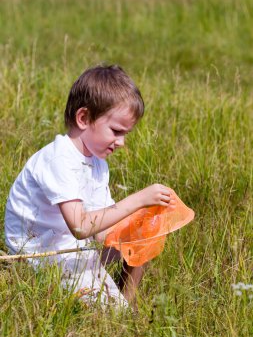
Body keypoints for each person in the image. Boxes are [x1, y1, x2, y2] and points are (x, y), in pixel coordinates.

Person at [5, 64, 175, 307]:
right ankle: (118, 313)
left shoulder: (96, 161)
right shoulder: (59, 159)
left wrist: (141, 226)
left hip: (73, 247)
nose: (122, 142)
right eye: (116, 131)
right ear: (83, 118)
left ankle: (127, 303)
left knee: (141, 238)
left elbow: (100, 230)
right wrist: (138, 200)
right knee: (108, 310)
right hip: (42, 253)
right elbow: (82, 227)